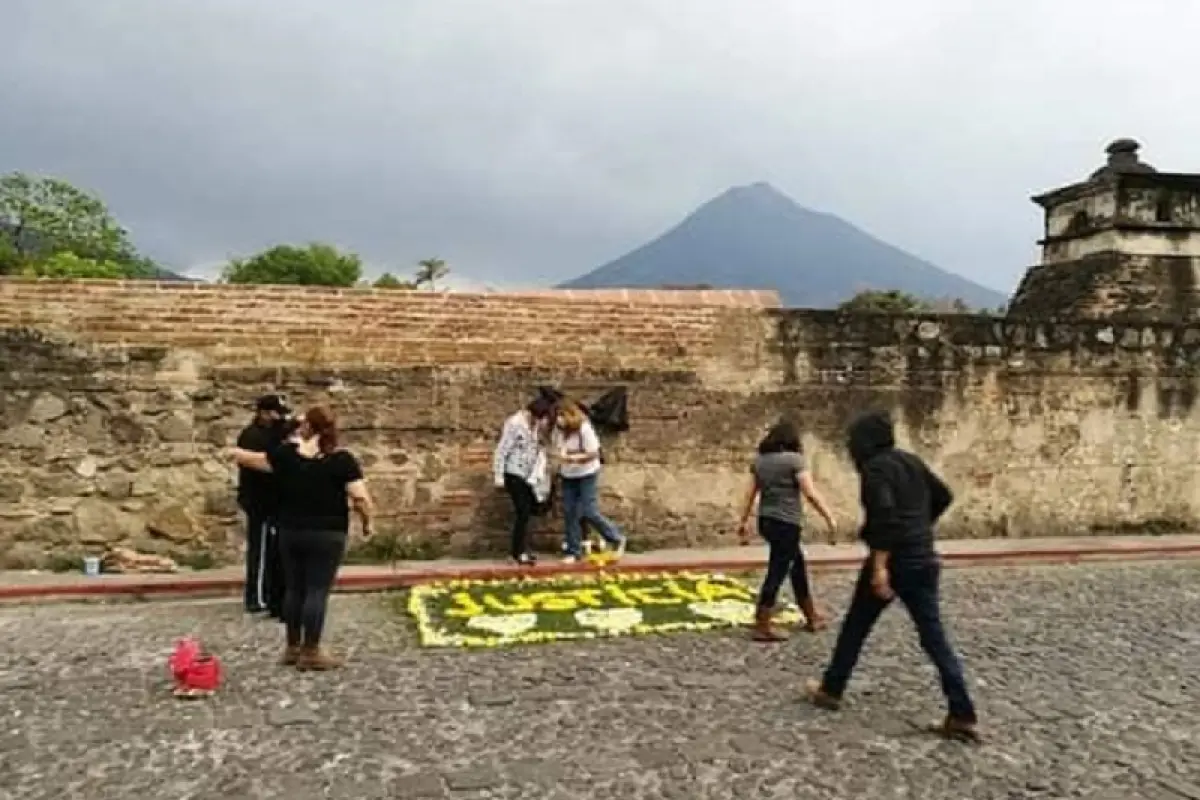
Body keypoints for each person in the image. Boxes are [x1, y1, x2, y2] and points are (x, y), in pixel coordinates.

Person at [804, 410, 980, 742]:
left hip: (894, 560)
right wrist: (919, 527)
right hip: (923, 558)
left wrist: (881, 567)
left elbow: (884, 516)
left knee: (856, 625)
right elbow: (943, 495)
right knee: (933, 636)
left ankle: (832, 688)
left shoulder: (875, 470)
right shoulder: (909, 461)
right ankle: (962, 712)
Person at [232, 405, 374, 671]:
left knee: (294, 589)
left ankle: (292, 647)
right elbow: (360, 498)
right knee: (317, 591)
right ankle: (311, 650)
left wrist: (235, 450)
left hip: (290, 531)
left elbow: (252, 459)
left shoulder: (286, 456)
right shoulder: (342, 460)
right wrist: (367, 524)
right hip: (327, 532)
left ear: (306, 428)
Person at [736, 420, 836, 641]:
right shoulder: (795, 461)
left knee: (796, 565)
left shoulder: (760, 462)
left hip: (766, 521)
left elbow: (750, 495)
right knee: (778, 569)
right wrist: (829, 517)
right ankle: (762, 623)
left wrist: (743, 522)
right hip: (786, 522)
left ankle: (811, 616)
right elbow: (809, 492)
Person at [235, 394, 290, 617]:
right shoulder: (252, 436)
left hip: (273, 501)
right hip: (260, 501)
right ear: (264, 413)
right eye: (275, 413)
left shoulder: (273, 432)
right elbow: (266, 462)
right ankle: (256, 596)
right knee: (260, 550)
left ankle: (270, 593)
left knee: (272, 550)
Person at [554, 402, 626, 563]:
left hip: (586, 473)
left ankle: (615, 537)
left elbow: (593, 453)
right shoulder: (561, 432)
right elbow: (560, 449)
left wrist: (574, 458)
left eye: (562, 416)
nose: (559, 420)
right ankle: (574, 550)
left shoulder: (584, 429)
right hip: (568, 474)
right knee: (569, 511)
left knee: (589, 510)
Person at [493, 397, 556, 566]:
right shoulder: (515, 424)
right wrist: (499, 476)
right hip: (514, 472)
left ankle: (521, 550)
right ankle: (517, 552)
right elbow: (502, 449)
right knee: (523, 512)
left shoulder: (534, 427)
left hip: (528, 475)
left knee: (530, 511)